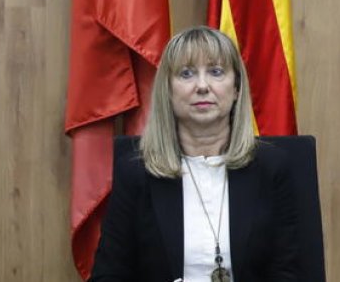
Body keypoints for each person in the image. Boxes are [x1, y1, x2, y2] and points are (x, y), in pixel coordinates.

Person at [90, 26, 300, 282]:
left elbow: (289, 273)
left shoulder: (272, 168)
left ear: (236, 89)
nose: (202, 86)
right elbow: (109, 275)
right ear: (167, 90)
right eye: (187, 74)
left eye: (216, 72)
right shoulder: (136, 173)